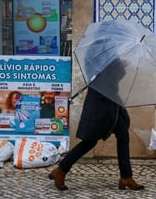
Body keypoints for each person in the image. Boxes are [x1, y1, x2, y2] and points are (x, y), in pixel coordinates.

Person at [48, 59, 144, 191]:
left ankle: (126, 177)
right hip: (100, 104)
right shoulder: (100, 55)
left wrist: (119, 65)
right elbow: (111, 78)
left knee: (123, 135)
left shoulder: (108, 53)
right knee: (90, 142)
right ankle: (61, 170)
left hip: (112, 103)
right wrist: (121, 66)